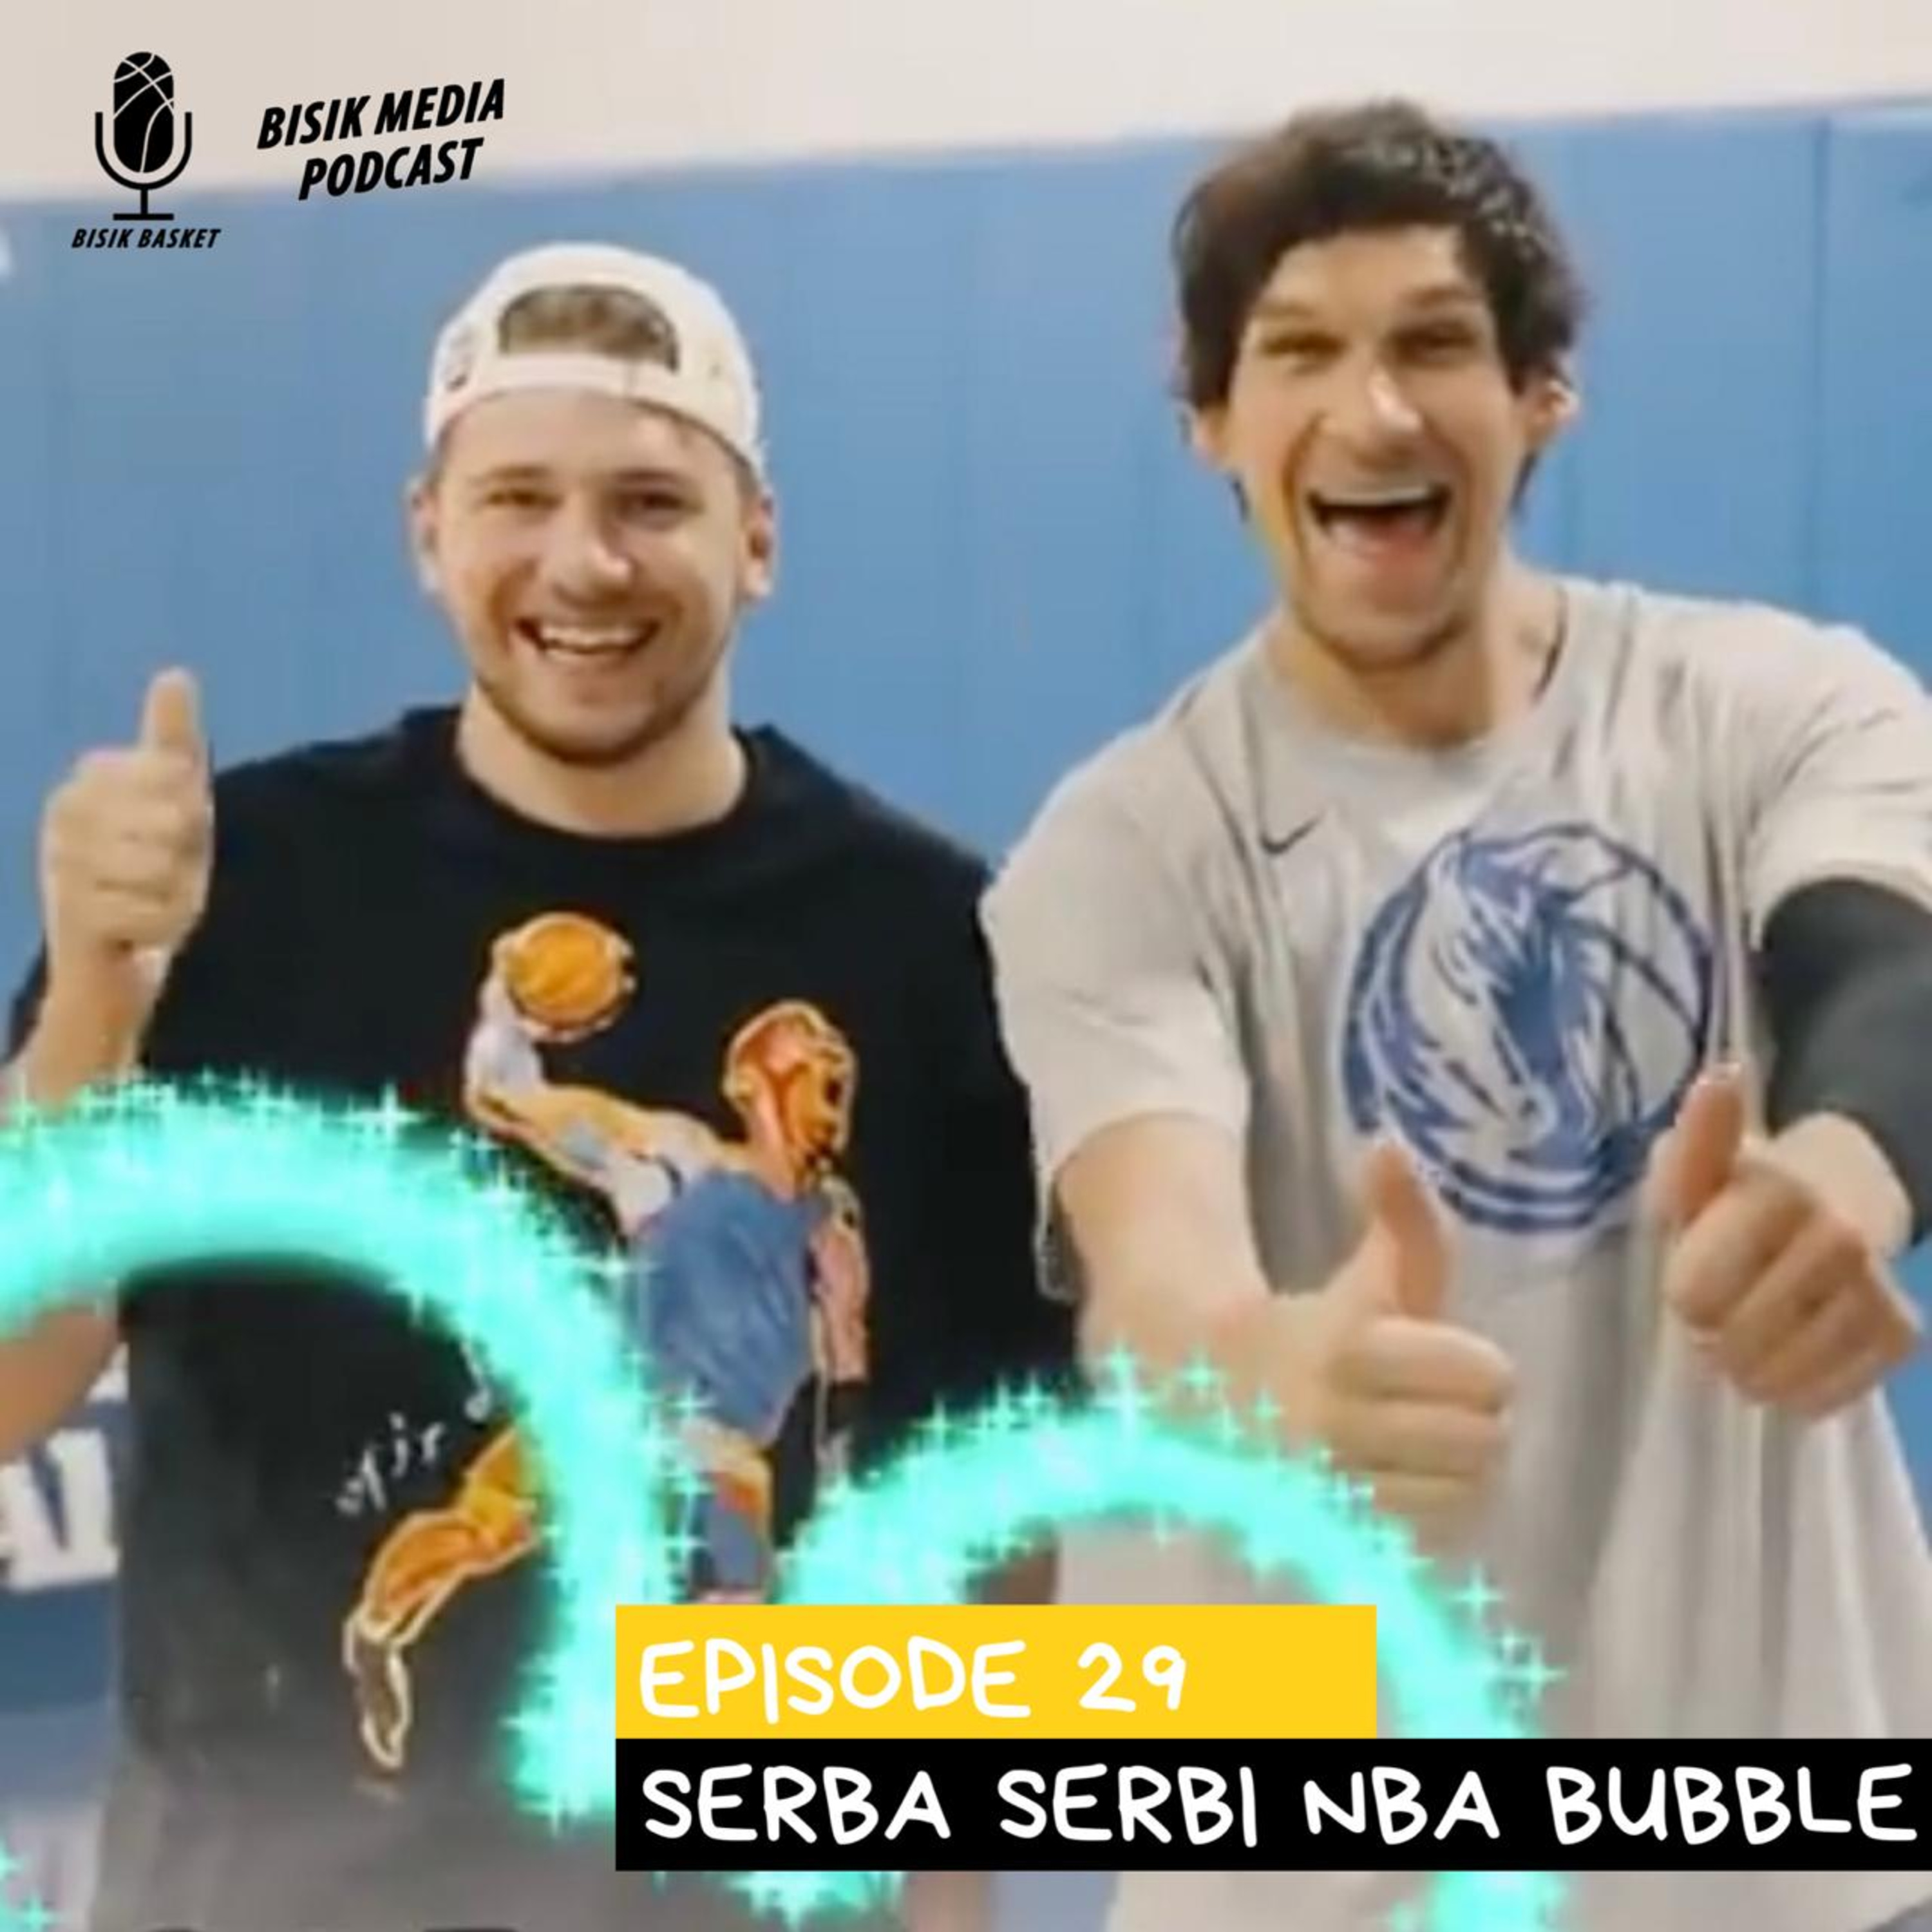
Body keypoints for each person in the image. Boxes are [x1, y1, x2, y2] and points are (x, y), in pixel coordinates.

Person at [0, 242, 1070, 1932]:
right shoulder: (234, 889)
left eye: (651, 501)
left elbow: (980, 1577)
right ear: (428, 530)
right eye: (519, 498)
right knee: (454, 1549)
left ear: (758, 540)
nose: (585, 561)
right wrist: (89, 1011)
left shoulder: (936, 945)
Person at [981, 100, 1932, 1932]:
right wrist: (1267, 1372)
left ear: (1539, 396)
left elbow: (1891, 971)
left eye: (1434, 344)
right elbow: (1154, 1260)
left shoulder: (1778, 707)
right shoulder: (1124, 848)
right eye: (1299, 354)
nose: (1377, 412)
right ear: (1212, 424)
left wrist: (1846, 1174)